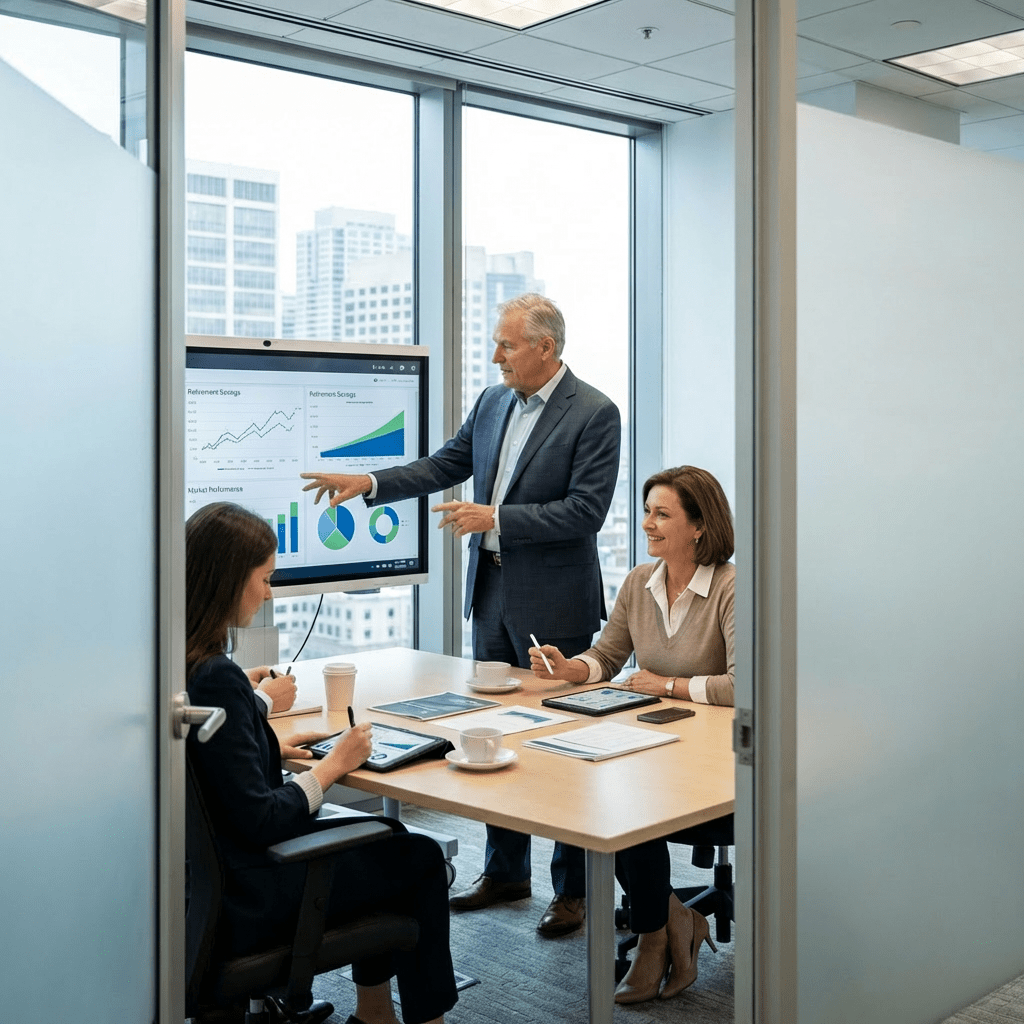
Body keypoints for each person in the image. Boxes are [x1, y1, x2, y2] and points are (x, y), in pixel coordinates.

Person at [299, 293, 620, 938]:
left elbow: (587, 512)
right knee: (494, 732)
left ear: (546, 347)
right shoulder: (493, 400)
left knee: (560, 745)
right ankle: (506, 871)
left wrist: (495, 518)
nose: (495, 355)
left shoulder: (594, 413)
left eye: (507, 344)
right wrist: (370, 484)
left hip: (555, 600)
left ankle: (574, 890)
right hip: (494, 591)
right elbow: (449, 463)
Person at [185, 502, 458, 1024]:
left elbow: (217, 771)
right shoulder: (217, 677)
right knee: (418, 857)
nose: (268, 594)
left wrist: (271, 749)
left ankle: (375, 1014)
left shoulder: (179, 662)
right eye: (263, 579)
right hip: (254, 891)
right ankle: (414, 1019)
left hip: (206, 886)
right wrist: (333, 765)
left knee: (387, 842)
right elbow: (261, 818)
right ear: (226, 581)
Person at [529, 465, 734, 1003]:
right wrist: (569, 667)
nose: (648, 523)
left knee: (628, 803)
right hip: (659, 750)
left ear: (699, 526)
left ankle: (653, 939)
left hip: (722, 773)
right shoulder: (640, 582)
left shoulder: (734, 588)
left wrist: (666, 684)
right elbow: (607, 656)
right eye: (646, 511)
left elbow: (748, 685)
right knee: (601, 792)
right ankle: (668, 924)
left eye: (662, 514)